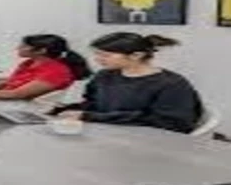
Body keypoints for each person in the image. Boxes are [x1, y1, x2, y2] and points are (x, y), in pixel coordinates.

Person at [51, 32, 203, 134]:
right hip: (109, 135)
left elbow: (168, 122)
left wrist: (89, 116)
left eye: (106, 55)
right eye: (97, 54)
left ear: (136, 55)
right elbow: (94, 104)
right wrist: (61, 110)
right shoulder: (104, 76)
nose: (98, 59)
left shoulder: (172, 84)